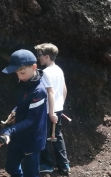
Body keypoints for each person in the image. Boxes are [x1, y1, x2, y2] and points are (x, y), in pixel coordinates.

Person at [0, 49, 48, 177]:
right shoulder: (24, 83)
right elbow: (22, 104)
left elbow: (31, 119)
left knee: (31, 173)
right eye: (17, 73)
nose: (19, 77)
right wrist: (14, 111)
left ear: (34, 67)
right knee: (10, 167)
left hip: (32, 139)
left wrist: (8, 131)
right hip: (18, 135)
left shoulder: (39, 91)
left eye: (22, 72)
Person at [35, 43, 70, 175]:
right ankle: (64, 165)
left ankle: (47, 164)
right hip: (58, 108)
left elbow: (50, 93)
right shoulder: (59, 70)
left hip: (48, 110)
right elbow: (64, 89)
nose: (38, 58)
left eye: (40, 55)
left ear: (47, 56)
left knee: (42, 136)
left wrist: (50, 112)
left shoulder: (45, 72)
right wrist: (60, 106)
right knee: (57, 136)